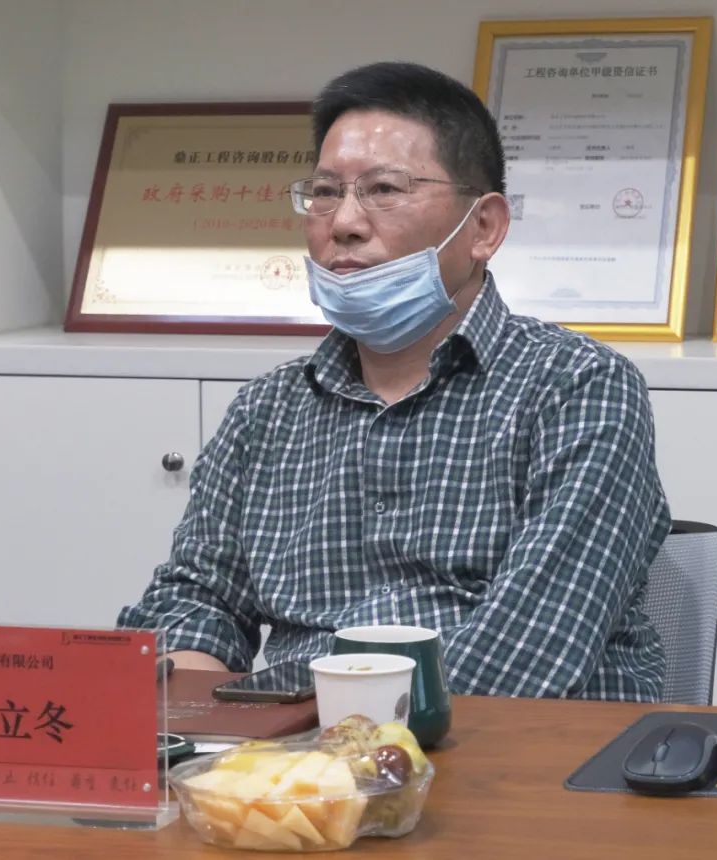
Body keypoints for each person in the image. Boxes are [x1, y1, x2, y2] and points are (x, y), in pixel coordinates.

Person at [118, 61, 671, 700]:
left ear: (484, 228)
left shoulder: (576, 387)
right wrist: (199, 715)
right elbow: (196, 598)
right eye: (325, 192)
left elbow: (527, 653)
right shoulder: (267, 409)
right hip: (292, 743)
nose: (344, 222)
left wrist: (316, 737)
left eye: (384, 189)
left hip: (512, 742)